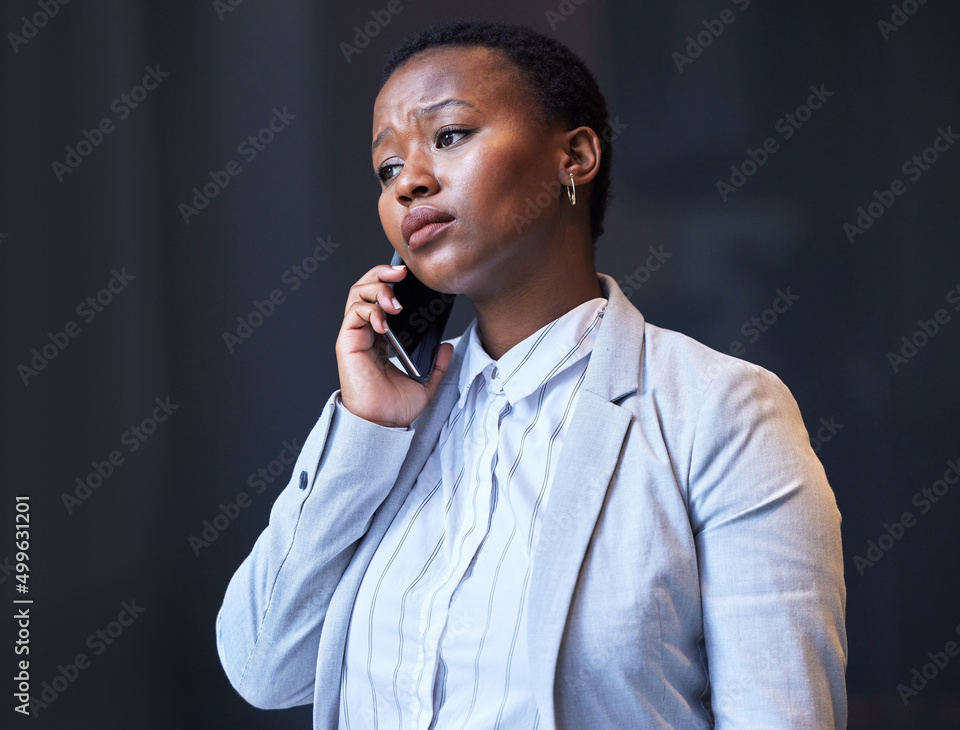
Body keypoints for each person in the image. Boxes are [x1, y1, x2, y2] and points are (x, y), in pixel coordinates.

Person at [216, 19, 847, 730]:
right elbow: (266, 668)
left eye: (449, 135)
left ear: (573, 156)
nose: (409, 183)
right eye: (387, 169)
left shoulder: (722, 412)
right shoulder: (392, 426)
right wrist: (364, 430)